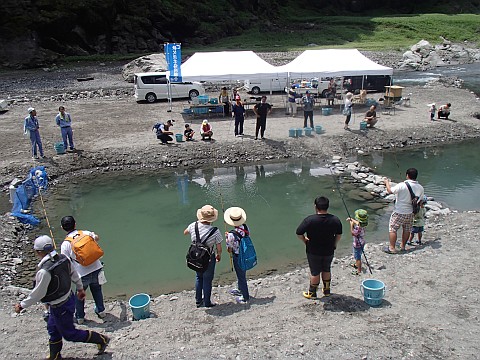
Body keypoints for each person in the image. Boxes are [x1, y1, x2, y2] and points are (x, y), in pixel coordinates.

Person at [14, 235, 110, 359]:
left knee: (70, 334)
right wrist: (80, 288)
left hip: (60, 306)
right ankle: (55, 356)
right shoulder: (63, 259)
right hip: (67, 299)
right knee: (53, 329)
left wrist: (21, 305)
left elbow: (38, 293)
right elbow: (74, 274)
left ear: (38, 252)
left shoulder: (44, 271)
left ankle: (101, 339)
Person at [60, 216, 106, 324]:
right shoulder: (85, 233)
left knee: (80, 295)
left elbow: (65, 262)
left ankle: (80, 317)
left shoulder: (65, 244)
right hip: (96, 268)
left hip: (81, 274)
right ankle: (101, 311)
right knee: (97, 290)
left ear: (62, 228)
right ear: (75, 224)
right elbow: (97, 238)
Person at [296, 196, 342, 298]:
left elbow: (299, 232)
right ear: (327, 207)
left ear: (316, 207)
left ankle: (312, 293)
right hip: (329, 250)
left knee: (315, 271)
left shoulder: (309, 220)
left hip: (313, 251)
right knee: (326, 269)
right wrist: (334, 244)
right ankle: (326, 291)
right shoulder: (335, 220)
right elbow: (339, 235)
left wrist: (305, 240)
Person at [184, 205, 223, 308]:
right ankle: (207, 302)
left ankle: (198, 300)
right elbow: (219, 247)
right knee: (207, 280)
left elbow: (185, 232)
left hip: (196, 257)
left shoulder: (193, 225)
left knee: (198, 277)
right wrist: (219, 255)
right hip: (209, 258)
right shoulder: (215, 231)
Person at [384, 168, 425, 253]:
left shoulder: (402, 185)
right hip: (410, 213)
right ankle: (403, 246)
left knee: (393, 229)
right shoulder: (421, 188)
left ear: (407, 175)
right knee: (407, 229)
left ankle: (392, 248)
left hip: (399, 211)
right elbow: (420, 201)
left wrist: (386, 182)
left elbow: (389, 191)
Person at [224, 206, 250, 304]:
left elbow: (229, 250)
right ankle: (240, 289)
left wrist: (227, 238)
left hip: (238, 256)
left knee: (241, 277)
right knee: (242, 274)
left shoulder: (231, 235)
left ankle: (245, 297)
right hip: (245, 254)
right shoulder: (246, 227)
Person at [347, 209, 368, 275]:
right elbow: (357, 222)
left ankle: (358, 270)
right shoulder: (363, 224)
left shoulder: (358, 228)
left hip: (357, 244)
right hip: (362, 242)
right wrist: (351, 219)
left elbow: (353, 233)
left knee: (357, 257)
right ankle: (357, 264)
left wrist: (351, 225)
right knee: (359, 254)